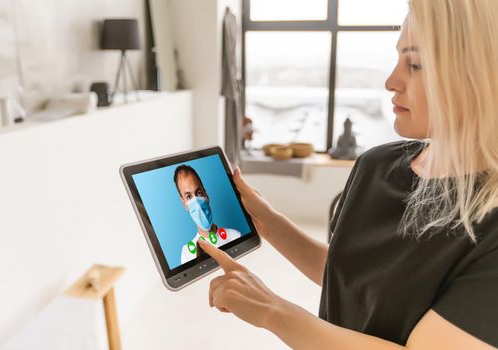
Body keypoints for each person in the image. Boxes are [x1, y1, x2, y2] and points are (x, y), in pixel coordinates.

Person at [196, 1, 498, 349]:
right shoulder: (375, 166)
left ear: (479, 75)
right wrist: (269, 223)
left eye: (414, 64)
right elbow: (351, 279)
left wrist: (273, 311)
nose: (391, 81)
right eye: (398, 58)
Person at [174, 164, 241, 264]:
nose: (196, 202)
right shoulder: (187, 253)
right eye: (189, 197)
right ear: (184, 203)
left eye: (199, 193)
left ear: (206, 194)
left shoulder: (235, 236)